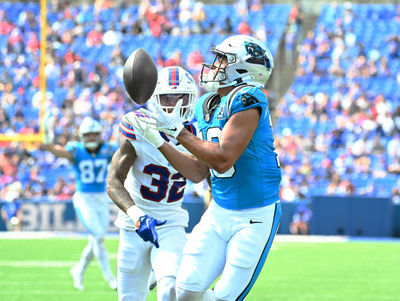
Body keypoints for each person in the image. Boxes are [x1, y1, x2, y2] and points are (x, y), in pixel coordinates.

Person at [132, 35, 282, 301]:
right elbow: (199, 172)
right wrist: (158, 140)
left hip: (255, 215)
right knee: (186, 291)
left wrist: (177, 132)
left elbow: (223, 159)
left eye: (223, 59)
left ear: (243, 68)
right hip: (219, 211)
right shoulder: (205, 104)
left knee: (224, 297)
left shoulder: (249, 98)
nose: (214, 65)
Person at [106, 66, 198, 301]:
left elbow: (202, 175)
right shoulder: (138, 126)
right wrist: (137, 215)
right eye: (168, 96)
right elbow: (114, 181)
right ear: (155, 99)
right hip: (133, 226)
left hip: (170, 223)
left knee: (170, 291)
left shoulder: (199, 133)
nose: (175, 104)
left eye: (181, 97)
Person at [43, 116, 117, 291]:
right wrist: (46, 133)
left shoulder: (108, 149)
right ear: (82, 136)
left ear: (99, 135)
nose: (91, 138)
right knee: (98, 237)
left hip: (101, 200)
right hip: (84, 200)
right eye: (88, 135)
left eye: (94, 134)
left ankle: (79, 271)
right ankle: (110, 278)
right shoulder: (75, 151)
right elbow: (52, 149)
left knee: (95, 240)